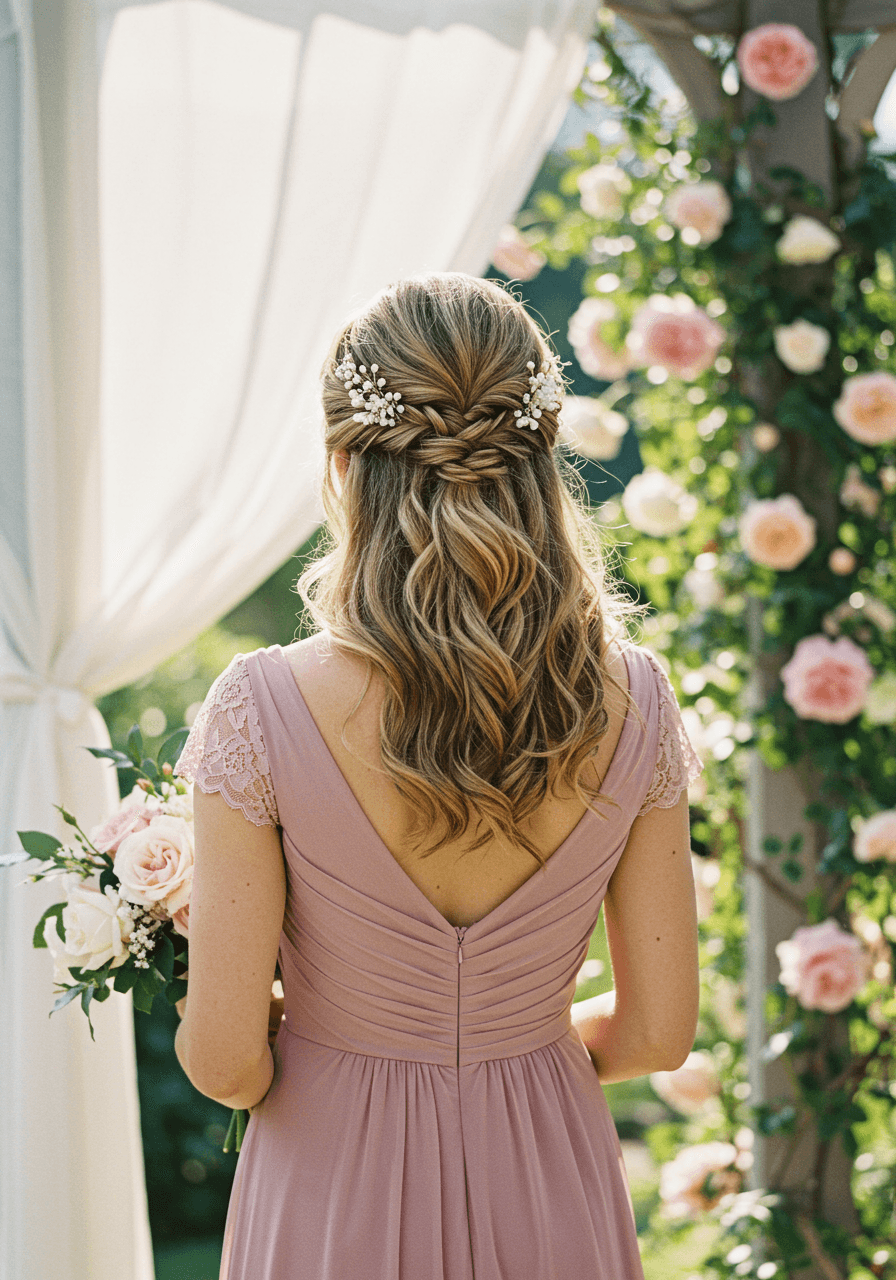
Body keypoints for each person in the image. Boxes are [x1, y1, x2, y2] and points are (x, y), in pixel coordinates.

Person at [173, 272, 702, 1280]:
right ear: (540, 457)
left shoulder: (262, 704)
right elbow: (657, 1029)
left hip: (331, 1177)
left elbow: (225, 1059)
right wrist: (514, 1057)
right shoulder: (633, 697)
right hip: (546, 1163)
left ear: (342, 462)